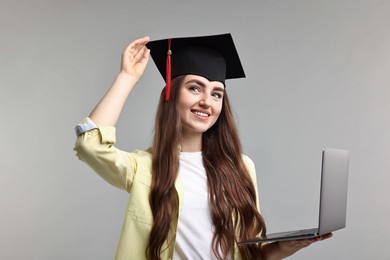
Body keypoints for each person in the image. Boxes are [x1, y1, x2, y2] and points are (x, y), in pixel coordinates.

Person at [74, 34, 331, 260]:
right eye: (195, 88)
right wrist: (127, 77)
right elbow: (90, 145)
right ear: (172, 95)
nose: (207, 101)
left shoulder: (241, 167)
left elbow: (252, 254)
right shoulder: (144, 168)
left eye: (217, 93)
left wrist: (285, 248)